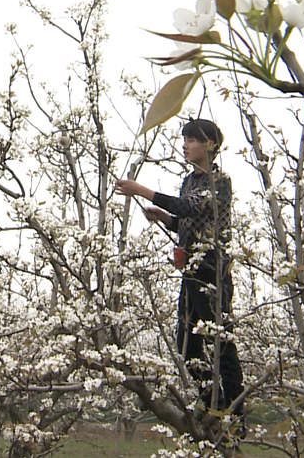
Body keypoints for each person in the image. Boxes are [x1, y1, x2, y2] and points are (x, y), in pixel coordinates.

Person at [114, 119, 244, 423]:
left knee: (220, 341)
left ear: (210, 144)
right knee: (186, 340)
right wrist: (163, 217)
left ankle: (235, 414)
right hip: (190, 269)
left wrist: (142, 190)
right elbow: (185, 219)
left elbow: (188, 207)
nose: (185, 145)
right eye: (184, 139)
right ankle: (210, 401)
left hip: (212, 269)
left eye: (192, 140)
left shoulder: (219, 181)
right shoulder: (189, 181)